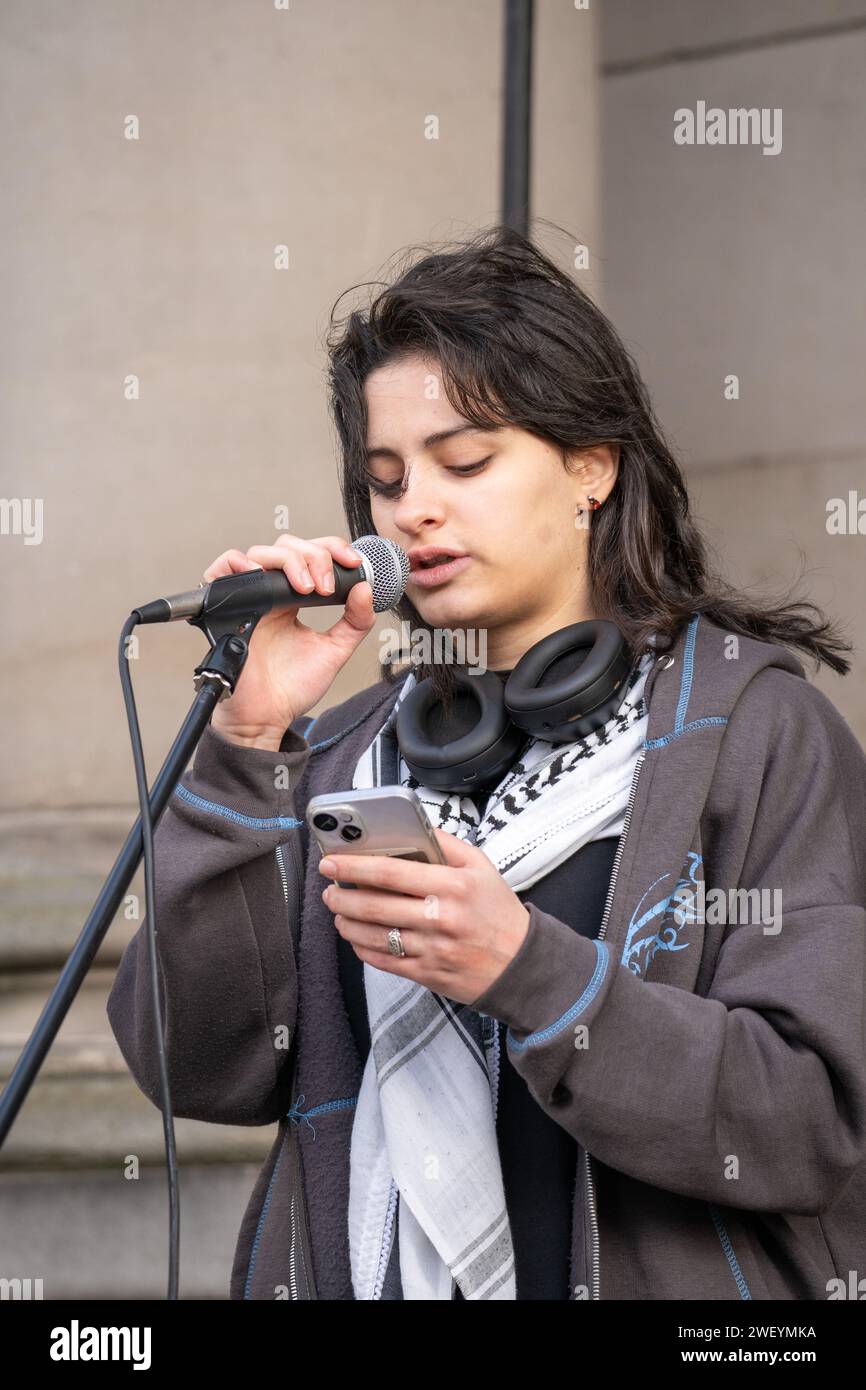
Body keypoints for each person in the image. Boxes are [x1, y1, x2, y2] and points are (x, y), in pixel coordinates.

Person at [107, 224, 866, 1300]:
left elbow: (807, 1118)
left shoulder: (754, 736)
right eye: (385, 478)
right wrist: (241, 748)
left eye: (464, 461)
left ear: (589, 466)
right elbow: (197, 1062)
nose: (413, 507)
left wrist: (526, 969)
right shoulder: (341, 755)